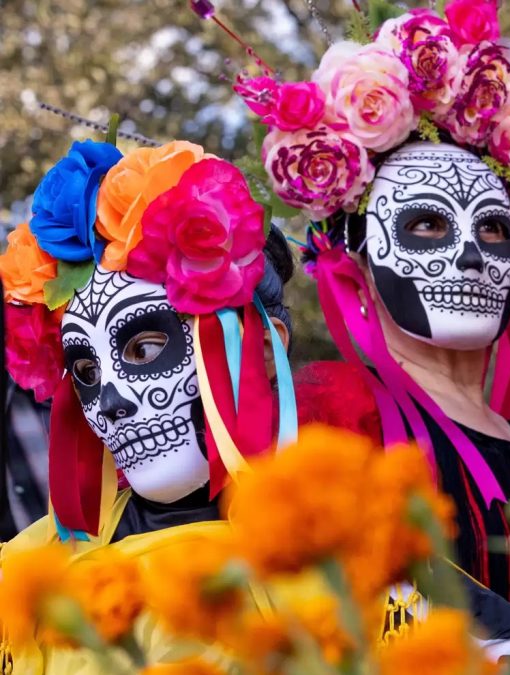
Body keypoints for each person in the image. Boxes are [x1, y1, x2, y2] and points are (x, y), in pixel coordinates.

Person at [231, 2, 510, 625]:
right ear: (360, 258)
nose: (472, 256)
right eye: (425, 225)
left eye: (493, 229)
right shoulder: (324, 423)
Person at [0, 140, 297, 672]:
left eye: (144, 348)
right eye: (87, 372)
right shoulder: (27, 575)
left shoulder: (351, 541)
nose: (108, 400)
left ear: (260, 348)